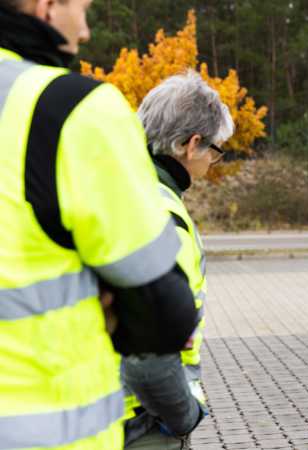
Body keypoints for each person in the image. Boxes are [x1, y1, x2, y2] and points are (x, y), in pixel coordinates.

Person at [0, 0, 197, 449]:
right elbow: (165, 315)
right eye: (82, 10)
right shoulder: (71, 108)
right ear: (45, 6)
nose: (86, 32)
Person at [121, 72, 235, 449]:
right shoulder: (162, 218)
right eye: (216, 151)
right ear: (192, 144)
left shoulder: (118, 190)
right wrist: (183, 414)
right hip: (142, 422)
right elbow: (149, 356)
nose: (213, 163)